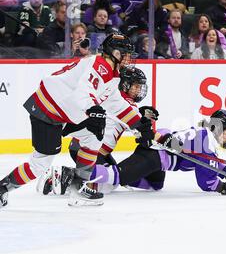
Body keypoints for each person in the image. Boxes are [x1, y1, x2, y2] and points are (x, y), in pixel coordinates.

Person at [0, 33, 138, 209]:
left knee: (94, 135)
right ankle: (2, 188)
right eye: (124, 53)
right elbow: (83, 92)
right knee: (40, 164)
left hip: (65, 111)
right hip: (47, 111)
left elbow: (117, 104)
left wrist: (140, 125)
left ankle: (78, 187)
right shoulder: (100, 65)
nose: (128, 58)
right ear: (113, 53)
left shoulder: (112, 73)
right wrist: (93, 109)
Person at [38, 66, 158, 198]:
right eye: (135, 86)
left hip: (81, 146)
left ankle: (74, 178)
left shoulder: (109, 95)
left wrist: (140, 114)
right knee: (107, 184)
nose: (139, 90)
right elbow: (142, 131)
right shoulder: (128, 106)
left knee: (113, 174)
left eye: (140, 87)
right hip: (92, 150)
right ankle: (63, 176)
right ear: (125, 85)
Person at [84, 109, 226, 196]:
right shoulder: (206, 142)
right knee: (117, 176)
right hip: (153, 156)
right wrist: (225, 187)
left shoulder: (205, 136)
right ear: (217, 127)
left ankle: (117, 173)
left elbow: (211, 163)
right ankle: (78, 173)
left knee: (155, 185)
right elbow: (206, 183)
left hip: (158, 159)